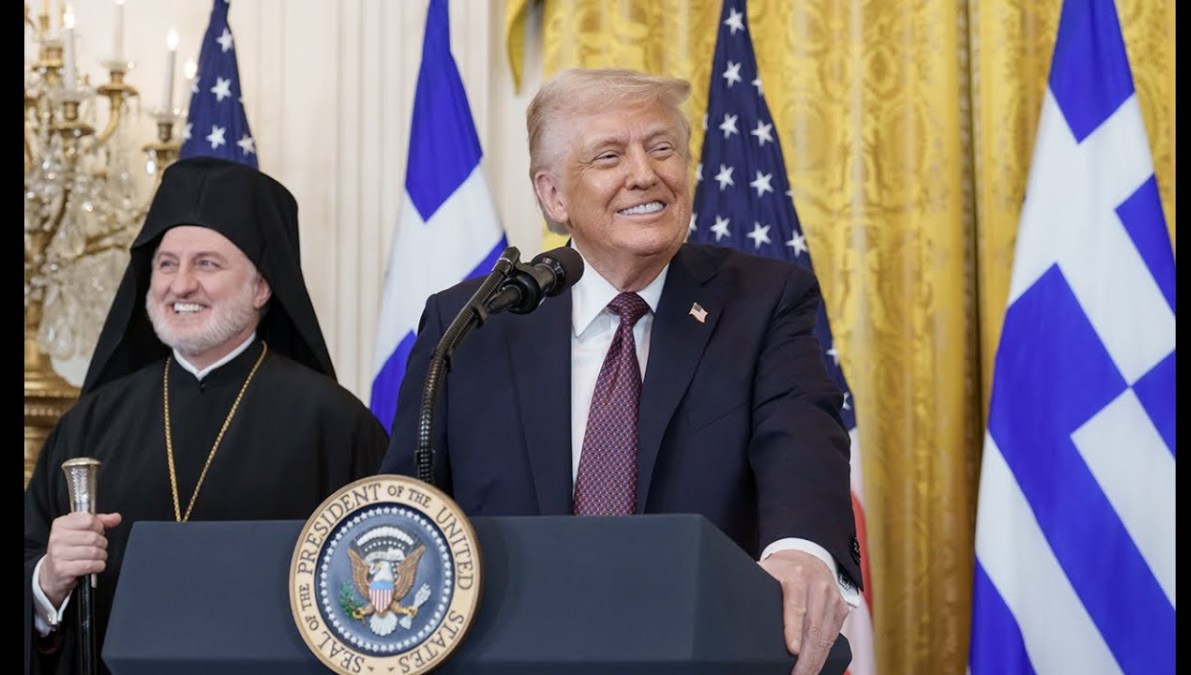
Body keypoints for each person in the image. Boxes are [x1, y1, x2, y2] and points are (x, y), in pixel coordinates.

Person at [379, 67, 863, 675]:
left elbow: (803, 439)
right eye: (609, 156)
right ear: (553, 196)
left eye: (662, 148)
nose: (644, 174)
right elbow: (408, 509)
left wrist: (801, 550)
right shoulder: (471, 322)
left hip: (700, 654)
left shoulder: (763, 301)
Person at [23, 156, 390, 675]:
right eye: (166, 264)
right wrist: (48, 581)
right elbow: (33, 558)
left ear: (262, 287)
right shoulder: (92, 424)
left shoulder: (336, 426)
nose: (180, 285)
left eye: (207, 264)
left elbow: (383, 591)